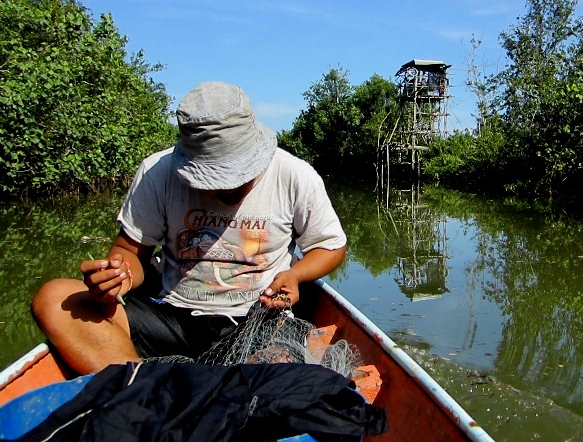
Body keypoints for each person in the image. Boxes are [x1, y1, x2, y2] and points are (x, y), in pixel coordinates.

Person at [31, 81, 348, 375]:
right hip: (172, 318)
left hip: (258, 319)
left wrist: (295, 275)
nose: (226, 189)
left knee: (278, 368)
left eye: (238, 176)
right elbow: (130, 252)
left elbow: (331, 246)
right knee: (55, 298)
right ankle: (139, 390)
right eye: (213, 179)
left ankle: (171, 393)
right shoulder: (158, 172)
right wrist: (117, 279)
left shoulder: (294, 175)